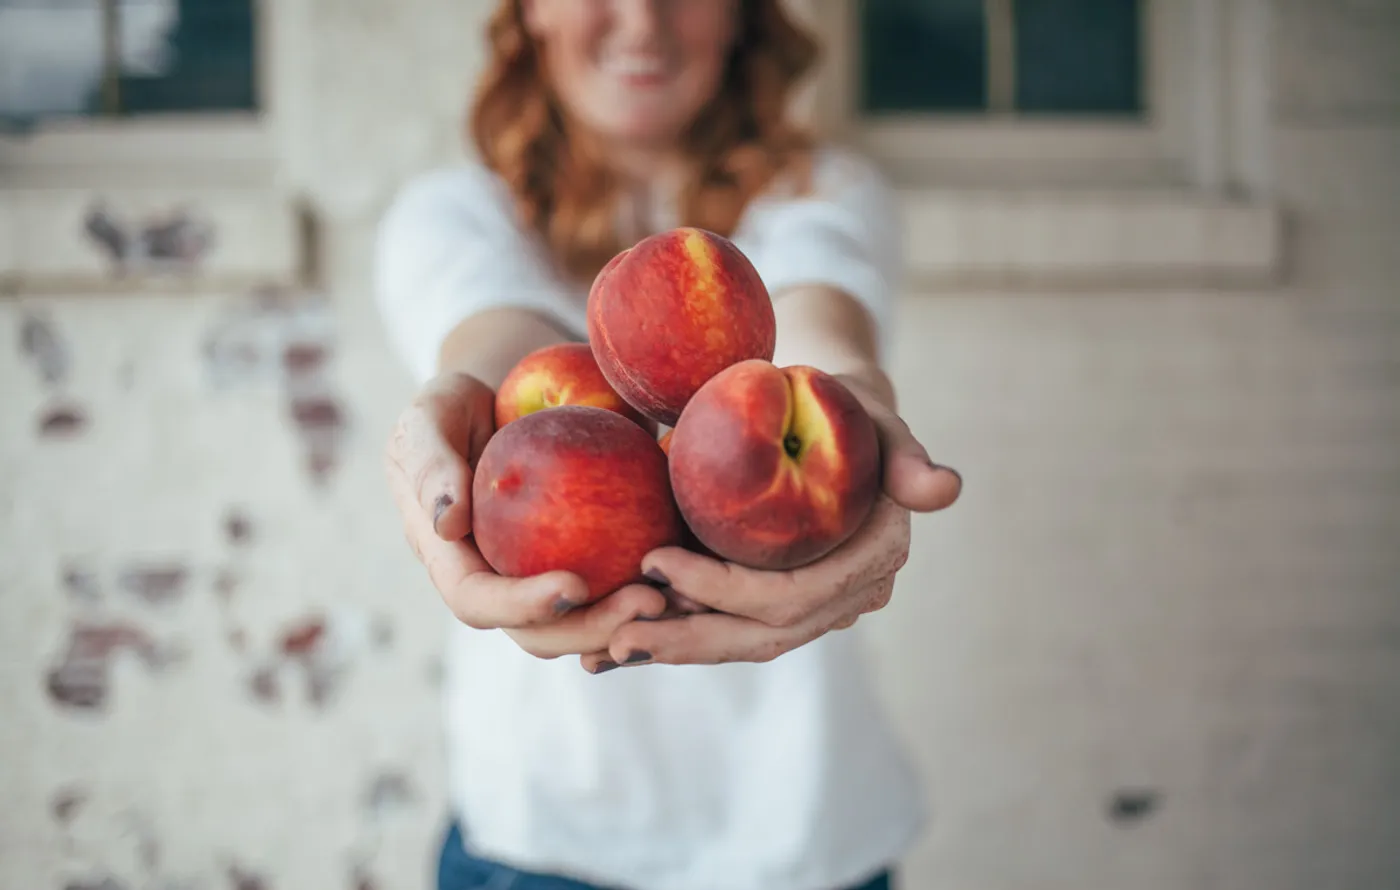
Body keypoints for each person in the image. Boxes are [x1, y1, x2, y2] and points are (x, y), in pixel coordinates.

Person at [373, 2, 962, 888]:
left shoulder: (825, 192)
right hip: (541, 840)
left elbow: (816, 322)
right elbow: (501, 349)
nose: (642, 22)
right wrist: (465, 402)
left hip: (804, 839)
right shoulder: (448, 213)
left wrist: (854, 400)